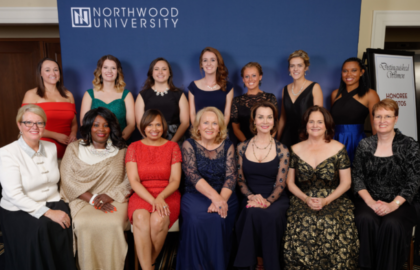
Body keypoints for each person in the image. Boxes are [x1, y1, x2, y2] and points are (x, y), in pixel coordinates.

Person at [0, 104, 76, 270]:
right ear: (19, 125)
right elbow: (14, 194)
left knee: (69, 221)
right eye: (28, 122)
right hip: (18, 208)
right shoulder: (6, 153)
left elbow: (55, 182)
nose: (34, 127)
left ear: (44, 126)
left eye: (39, 123)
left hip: (52, 199)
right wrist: (49, 213)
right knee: (42, 228)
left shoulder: (50, 147)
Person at [283, 106, 359, 269]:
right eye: (311, 121)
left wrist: (326, 201)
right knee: (305, 221)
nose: (315, 125)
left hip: (333, 197)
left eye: (320, 121)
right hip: (304, 198)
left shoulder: (339, 148)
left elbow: (346, 183)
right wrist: (306, 198)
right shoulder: (294, 149)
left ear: (327, 125)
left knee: (329, 221)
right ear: (305, 125)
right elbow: (290, 182)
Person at [60, 107, 131, 270]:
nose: (101, 129)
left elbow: (129, 180)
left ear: (111, 128)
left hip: (115, 200)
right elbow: (67, 180)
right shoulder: (74, 148)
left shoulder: (121, 150)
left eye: (106, 125)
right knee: (83, 222)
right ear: (89, 127)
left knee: (113, 223)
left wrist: (111, 195)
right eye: (96, 124)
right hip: (81, 200)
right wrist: (92, 199)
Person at [352, 99, 420, 270]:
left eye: (388, 116)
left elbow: (413, 181)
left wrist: (392, 205)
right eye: (378, 116)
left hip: (401, 201)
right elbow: (357, 177)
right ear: (373, 118)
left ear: (396, 118)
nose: (382, 121)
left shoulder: (409, 145)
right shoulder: (364, 145)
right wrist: (371, 203)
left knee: (391, 224)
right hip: (369, 200)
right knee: (365, 219)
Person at [177, 107, 238, 270]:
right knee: (197, 220)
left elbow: (231, 177)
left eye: (214, 123)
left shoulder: (228, 145)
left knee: (219, 218)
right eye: (205, 122)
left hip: (225, 194)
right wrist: (214, 198)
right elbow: (192, 175)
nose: (209, 127)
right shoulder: (188, 144)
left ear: (220, 128)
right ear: (198, 126)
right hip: (195, 194)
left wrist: (221, 199)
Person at [234, 101, 289, 270]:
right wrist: (252, 196)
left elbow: (281, 184)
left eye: (269, 117)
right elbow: (240, 180)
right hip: (249, 195)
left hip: (276, 198)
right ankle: (255, 263)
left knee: (269, 215)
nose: (265, 121)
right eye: (261, 117)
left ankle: (268, 264)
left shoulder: (282, 150)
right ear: (254, 121)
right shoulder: (241, 147)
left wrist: (268, 201)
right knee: (251, 211)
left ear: (274, 121)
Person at [126, 109, 182, 270]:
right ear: (143, 127)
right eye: (150, 125)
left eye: (158, 124)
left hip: (168, 193)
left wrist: (161, 197)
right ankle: (149, 267)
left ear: (163, 126)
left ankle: (146, 265)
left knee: (159, 220)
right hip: (141, 193)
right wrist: (153, 200)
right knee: (141, 218)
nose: (154, 129)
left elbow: (175, 180)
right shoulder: (133, 147)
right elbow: (134, 181)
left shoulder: (173, 147)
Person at [22, 57, 77, 159]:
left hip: (68, 149)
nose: (53, 73)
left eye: (56, 70)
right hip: (42, 148)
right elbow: (26, 125)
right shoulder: (31, 94)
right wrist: (56, 136)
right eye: (47, 70)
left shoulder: (68, 95)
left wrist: (73, 134)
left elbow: (74, 123)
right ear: (40, 74)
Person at [331, 57, 380, 162]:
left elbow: (376, 125)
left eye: (353, 70)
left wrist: (378, 148)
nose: (349, 74)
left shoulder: (370, 94)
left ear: (362, 72)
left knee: (356, 173)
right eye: (345, 71)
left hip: (357, 141)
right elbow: (331, 123)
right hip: (335, 141)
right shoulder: (335, 94)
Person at [80, 55, 135, 141]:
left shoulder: (126, 95)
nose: (109, 71)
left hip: (120, 144)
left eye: (113, 68)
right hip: (95, 144)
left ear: (118, 71)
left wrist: (119, 142)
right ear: (100, 70)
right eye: (105, 67)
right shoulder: (89, 94)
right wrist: (96, 142)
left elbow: (131, 125)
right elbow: (84, 123)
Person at [135, 57, 189, 143]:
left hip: (175, 139)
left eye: (164, 69)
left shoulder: (179, 94)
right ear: (151, 73)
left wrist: (171, 144)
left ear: (169, 73)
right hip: (150, 139)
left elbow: (185, 123)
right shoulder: (142, 95)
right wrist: (151, 141)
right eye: (156, 69)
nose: (160, 72)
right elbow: (139, 124)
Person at [277, 50, 323, 149]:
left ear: (306, 67)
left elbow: (318, 119)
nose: (295, 69)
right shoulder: (284, 89)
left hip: (306, 137)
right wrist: (277, 140)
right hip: (287, 137)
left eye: (299, 65)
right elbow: (283, 118)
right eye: (292, 66)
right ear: (289, 68)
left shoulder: (315, 87)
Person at [231, 62, 278, 141]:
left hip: (267, 145)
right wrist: (248, 145)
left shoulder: (270, 98)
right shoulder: (237, 101)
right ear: (243, 79)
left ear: (260, 77)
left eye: (254, 75)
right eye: (247, 76)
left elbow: (275, 124)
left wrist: (266, 143)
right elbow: (236, 129)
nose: (250, 79)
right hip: (244, 146)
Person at [188, 47, 234, 125]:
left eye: (212, 60)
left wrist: (219, 132)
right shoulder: (193, 86)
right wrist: (199, 132)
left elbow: (227, 115)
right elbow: (192, 114)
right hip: (198, 134)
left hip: (220, 133)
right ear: (201, 64)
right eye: (205, 60)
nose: (208, 63)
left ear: (218, 63)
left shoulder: (228, 86)